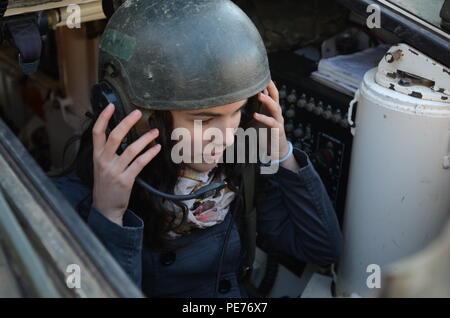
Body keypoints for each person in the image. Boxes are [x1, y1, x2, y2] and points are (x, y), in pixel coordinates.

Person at [51, 0, 343, 298]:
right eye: (204, 120)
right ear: (136, 115)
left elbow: (323, 249)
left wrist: (282, 154)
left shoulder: (237, 171)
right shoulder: (76, 198)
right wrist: (110, 215)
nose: (227, 138)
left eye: (237, 113)